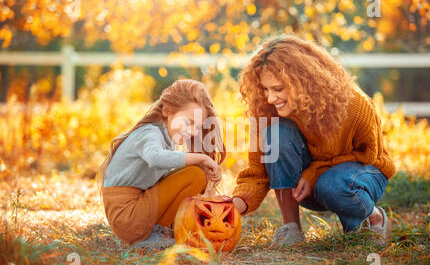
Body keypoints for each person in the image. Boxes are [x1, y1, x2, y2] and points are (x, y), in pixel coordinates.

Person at [231, 35, 396, 246]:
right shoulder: (268, 111)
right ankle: (291, 228)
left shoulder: (355, 104)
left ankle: (374, 218)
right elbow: (257, 170)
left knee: (332, 184)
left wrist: (314, 172)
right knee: (277, 134)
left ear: (303, 82)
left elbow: (369, 155)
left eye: (278, 89)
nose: (271, 98)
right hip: (306, 189)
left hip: (362, 176)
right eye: (265, 89)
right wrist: (238, 203)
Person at [98, 79, 225, 250]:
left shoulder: (166, 138)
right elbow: (155, 158)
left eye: (198, 126)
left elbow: (165, 178)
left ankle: (162, 231)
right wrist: (201, 159)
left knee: (195, 174)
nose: (193, 131)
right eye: (188, 122)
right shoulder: (150, 133)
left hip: (134, 210)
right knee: (195, 174)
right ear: (166, 110)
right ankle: (153, 235)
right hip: (127, 215)